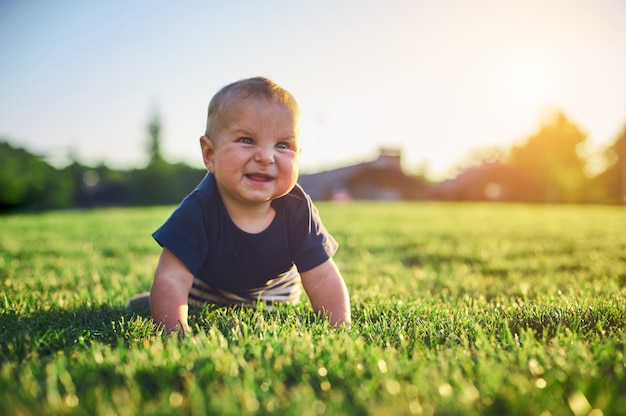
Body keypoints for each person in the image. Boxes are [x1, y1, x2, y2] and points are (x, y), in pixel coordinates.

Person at [127, 77, 351, 334]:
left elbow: (323, 276)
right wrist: (172, 330)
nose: (266, 157)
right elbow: (172, 277)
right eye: (246, 140)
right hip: (205, 294)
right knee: (173, 295)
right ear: (210, 154)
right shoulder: (199, 209)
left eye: (282, 145)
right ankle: (154, 302)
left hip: (275, 299)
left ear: (299, 154)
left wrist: (339, 328)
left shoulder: (298, 209)